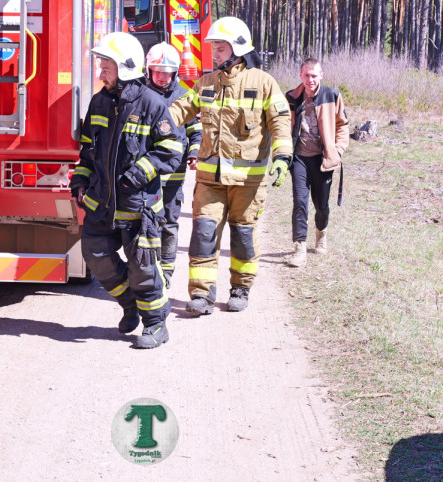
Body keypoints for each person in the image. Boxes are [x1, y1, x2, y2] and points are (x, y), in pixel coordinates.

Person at [168, 17, 293, 314]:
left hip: (249, 183)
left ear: (237, 49)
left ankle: (241, 287)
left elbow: (280, 121)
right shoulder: (207, 82)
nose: (215, 53)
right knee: (203, 234)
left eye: (221, 48)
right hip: (210, 180)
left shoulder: (263, 83)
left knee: (243, 236)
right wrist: (152, 122)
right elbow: (181, 108)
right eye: (215, 48)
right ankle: (201, 294)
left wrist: (282, 157)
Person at [70, 32, 183, 349]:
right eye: (101, 64)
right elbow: (89, 150)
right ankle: (130, 305)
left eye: (106, 64)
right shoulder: (99, 102)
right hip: (101, 205)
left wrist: (138, 173)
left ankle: (156, 324)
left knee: (143, 269)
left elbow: (171, 150)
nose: (100, 70)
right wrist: (80, 179)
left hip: (138, 206)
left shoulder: (153, 105)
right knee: (94, 254)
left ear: (125, 67)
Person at [144, 42, 202, 288]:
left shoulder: (184, 96)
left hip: (173, 174)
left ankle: (166, 273)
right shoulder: (140, 94)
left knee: (169, 222)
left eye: (166, 72)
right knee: (146, 223)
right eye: (157, 71)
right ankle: (149, 269)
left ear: (175, 73)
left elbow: (195, 129)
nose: (161, 77)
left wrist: (194, 152)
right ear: (148, 71)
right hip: (146, 174)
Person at [284, 59, 349, 267]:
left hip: (323, 160)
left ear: (321, 75)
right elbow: (283, 126)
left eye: (314, 75)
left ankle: (321, 232)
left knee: (321, 205)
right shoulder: (291, 98)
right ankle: (299, 248)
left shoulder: (332, 96)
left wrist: (337, 151)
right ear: (300, 76)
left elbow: (342, 126)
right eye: (306, 75)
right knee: (300, 202)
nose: (310, 79)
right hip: (299, 159)